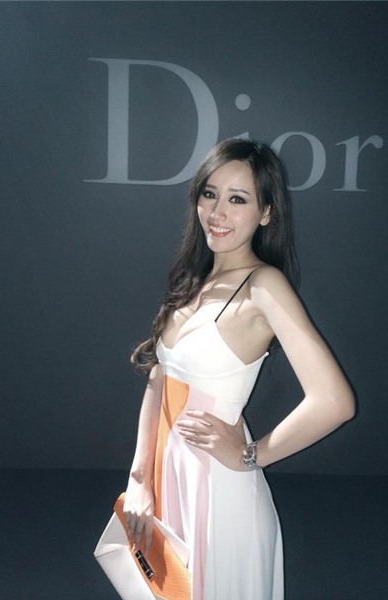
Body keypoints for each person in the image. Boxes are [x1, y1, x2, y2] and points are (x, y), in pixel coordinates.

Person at [123, 138, 355, 600]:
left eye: (238, 199)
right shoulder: (195, 277)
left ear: (266, 213)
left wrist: (252, 455)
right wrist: (139, 479)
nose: (217, 212)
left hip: (220, 494)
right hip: (168, 480)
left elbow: (335, 402)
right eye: (210, 194)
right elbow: (160, 376)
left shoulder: (264, 286)